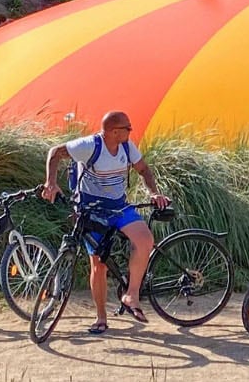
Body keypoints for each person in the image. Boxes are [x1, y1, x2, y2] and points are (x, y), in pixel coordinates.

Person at [42, 111, 170, 335]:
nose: (131, 131)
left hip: (118, 206)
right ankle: (101, 318)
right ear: (114, 131)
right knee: (98, 264)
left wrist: (154, 192)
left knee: (145, 240)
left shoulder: (127, 147)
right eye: (127, 128)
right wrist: (50, 183)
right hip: (92, 211)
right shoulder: (90, 146)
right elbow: (55, 153)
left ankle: (131, 295)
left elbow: (144, 170)